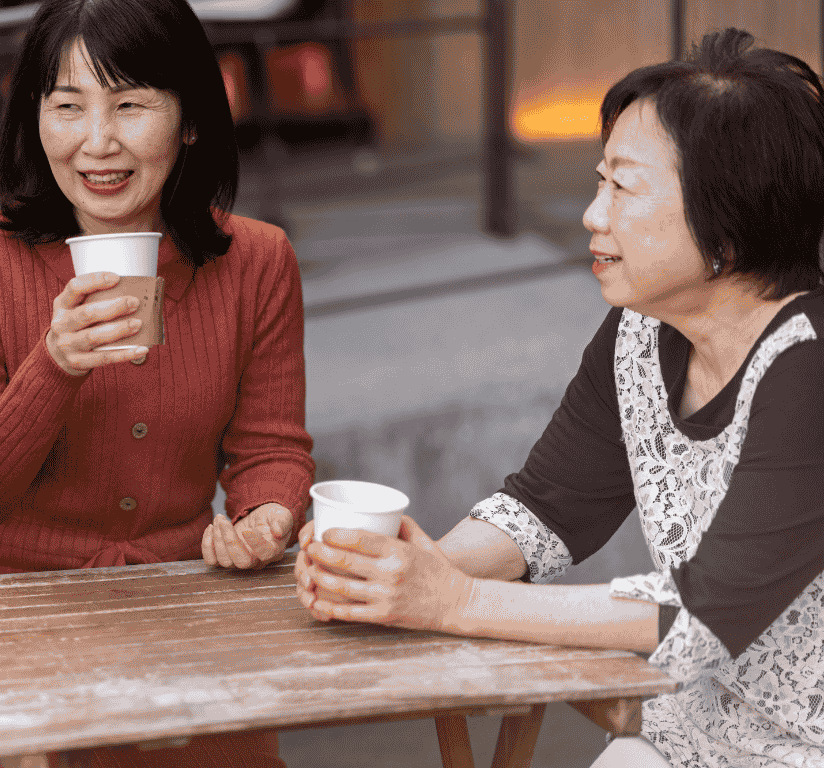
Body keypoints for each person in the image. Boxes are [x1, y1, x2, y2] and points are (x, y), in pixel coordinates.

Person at [296, 29, 824, 767]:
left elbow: (706, 615)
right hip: (685, 731)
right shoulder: (643, 329)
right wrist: (399, 573)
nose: (592, 215)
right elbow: (547, 510)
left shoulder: (807, 368)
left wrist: (455, 602)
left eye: (624, 188)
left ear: (726, 229)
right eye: (599, 181)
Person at [0, 0, 315, 765]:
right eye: (68, 106)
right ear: (35, 117)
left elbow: (271, 448)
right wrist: (54, 366)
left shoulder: (257, 262)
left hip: (177, 615)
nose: (97, 141)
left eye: (129, 105)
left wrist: (266, 517)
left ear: (190, 119)